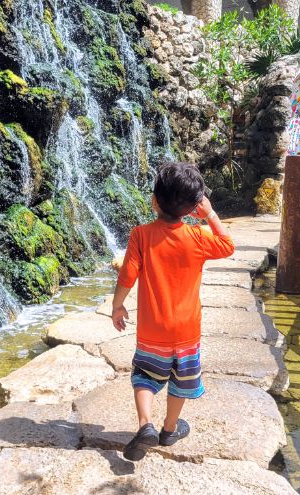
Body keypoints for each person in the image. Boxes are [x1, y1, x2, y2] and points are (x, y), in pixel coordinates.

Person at [110, 162, 235, 461]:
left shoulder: (140, 235)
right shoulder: (198, 237)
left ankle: (145, 425)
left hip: (153, 331)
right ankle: (169, 429)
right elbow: (228, 245)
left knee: (144, 376)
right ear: (193, 207)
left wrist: (117, 305)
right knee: (180, 381)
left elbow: (127, 275)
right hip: (187, 331)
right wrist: (210, 214)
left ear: (154, 200)